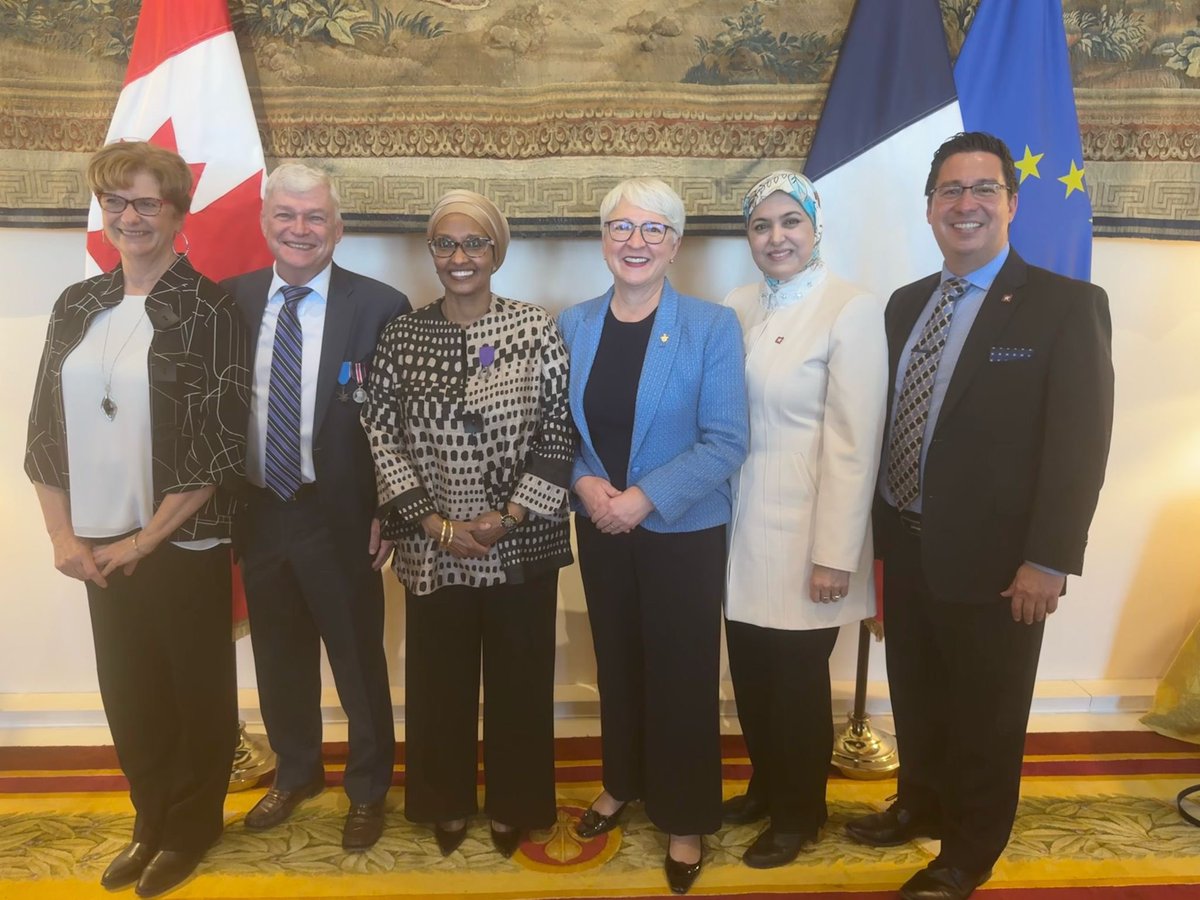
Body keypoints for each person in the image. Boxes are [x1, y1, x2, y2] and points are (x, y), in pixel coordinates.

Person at [844, 132, 1114, 900]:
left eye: (983, 190)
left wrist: (1050, 558)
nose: (966, 205)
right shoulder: (903, 306)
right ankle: (919, 805)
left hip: (1002, 566)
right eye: (950, 191)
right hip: (906, 542)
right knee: (920, 694)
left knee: (988, 714)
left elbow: (1080, 445)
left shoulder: (1066, 306)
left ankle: (968, 852)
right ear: (930, 207)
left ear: (1012, 202)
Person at [25, 141, 249, 897]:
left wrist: (144, 540)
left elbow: (221, 445)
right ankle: (149, 819)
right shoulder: (76, 305)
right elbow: (43, 431)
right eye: (116, 202)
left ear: (178, 213)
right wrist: (62, 535)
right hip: (94, 543)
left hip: (178, 541)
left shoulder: (210, 307)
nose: (129, 217)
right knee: (129, 692)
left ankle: (191, 829)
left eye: (146, 202)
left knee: (195, 690)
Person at [361, 189, 574, 858]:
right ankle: (444, 800)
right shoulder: (402, 333)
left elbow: (558, 431)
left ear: (495, 252)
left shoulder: (536, 327)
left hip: (521, 541)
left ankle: (516, 803)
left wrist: (508, 514)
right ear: (432, 253)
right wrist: (433, 522)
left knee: (520, 677)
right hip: (433, 547)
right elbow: (381, 432)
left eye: (474, 243)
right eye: (446, 245)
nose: (460, 257)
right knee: (439, 680)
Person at [558, 178, 749, 895]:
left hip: (682, 534)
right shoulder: (573, 323)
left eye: (652, 230)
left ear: (675, 244)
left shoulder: (710, 326)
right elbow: (560, 431)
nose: (635, 242)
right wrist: (586, 486)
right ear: (603, 238)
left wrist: (643, 499)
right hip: (600, 525)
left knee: (681, 676)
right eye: (621, 228)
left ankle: (684, 815)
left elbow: (727, 440)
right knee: (617, 662)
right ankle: (621, 782)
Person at [223, 164, 410, 851]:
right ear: (265, 223)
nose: (300, 229)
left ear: (338, 227)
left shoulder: (379, 307)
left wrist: (387, 509)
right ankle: (296, 771)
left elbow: (398, 425)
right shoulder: (231, 300)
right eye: (286, 216)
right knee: (278, 655)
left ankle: (367, 789)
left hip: (341, 515)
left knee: (358, 659)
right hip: (259, 511)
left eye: (314, 217)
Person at [721, 171, 888, 867]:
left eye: (790, 222)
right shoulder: (735, 305)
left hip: (807, 536)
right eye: (762, 225)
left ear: (816, 228)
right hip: (737, 530)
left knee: (794, 685)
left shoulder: (850, 308)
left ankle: (800, 813)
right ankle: (767, 785)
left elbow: (855, 442)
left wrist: (834, 554)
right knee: (751, 674)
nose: (776, 237)